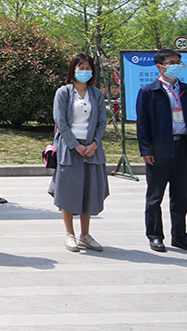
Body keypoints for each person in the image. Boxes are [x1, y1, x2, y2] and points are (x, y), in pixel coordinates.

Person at [136, 49, 187, 253]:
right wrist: (146, 149)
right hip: (159, 150)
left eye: (178, 62)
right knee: (155, 196)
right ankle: (155, 236)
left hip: (183, 147)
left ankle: (180, 237)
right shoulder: (149, 91)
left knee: (181, 196)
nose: (176, 65)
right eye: (171, 62)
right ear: (160, 67)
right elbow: (142, 124)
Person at [49, 53, 109, 252]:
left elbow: (102, 122)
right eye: (80, 67)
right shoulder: (63, 92)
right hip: (70, 148)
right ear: (73, 70)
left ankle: (85, 235)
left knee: (89, 191)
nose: (84, 71)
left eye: (88, 68)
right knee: (68, 192)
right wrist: (76, 145)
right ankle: (70, 234)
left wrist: (94, 144)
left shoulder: (96, 94)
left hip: (91, 148)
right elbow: (61, 122)